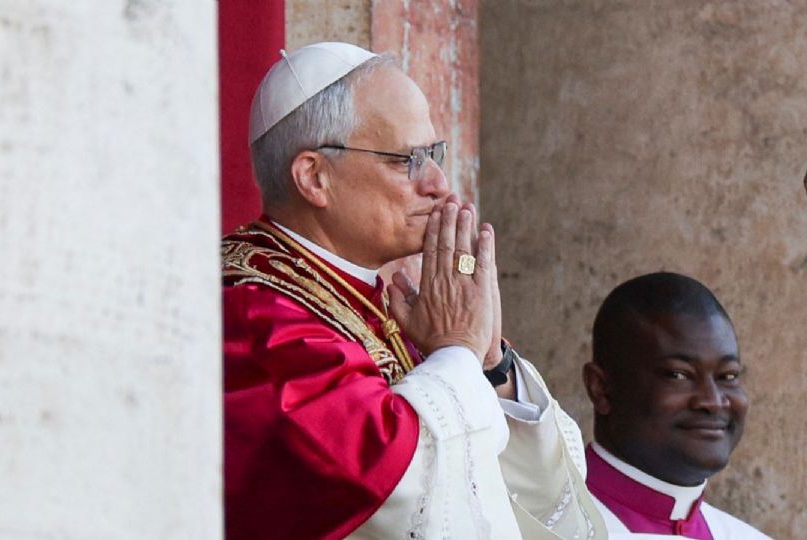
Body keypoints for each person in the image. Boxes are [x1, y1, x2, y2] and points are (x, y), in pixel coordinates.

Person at [223, 41, 606, 539]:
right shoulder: (254, 317)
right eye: (408, 160)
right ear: (314, 177)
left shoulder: (389, 310)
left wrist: (489, 365)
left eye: (434, 155)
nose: (440, 184)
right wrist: (456, 353)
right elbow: (378, 487)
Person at [582, 272, 772, 539]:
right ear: (600, 388)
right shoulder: (530, 526)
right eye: (678, 375)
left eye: (727, 376)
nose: (713, 402)